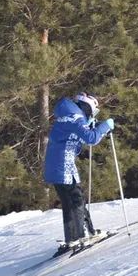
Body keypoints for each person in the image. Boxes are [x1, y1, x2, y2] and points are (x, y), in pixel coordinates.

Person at [43, 92, 115, 252]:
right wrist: (106, 126)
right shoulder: (75, 117)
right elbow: (91, 139)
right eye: (91, 111)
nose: (91, 115)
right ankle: (84, 235)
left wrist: (90, 125)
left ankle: (73, 237)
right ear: (86, 107)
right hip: (63, 165)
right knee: (76, 199)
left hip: (56, 165)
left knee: (69, 201)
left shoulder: (68, 115)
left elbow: (79, 138)